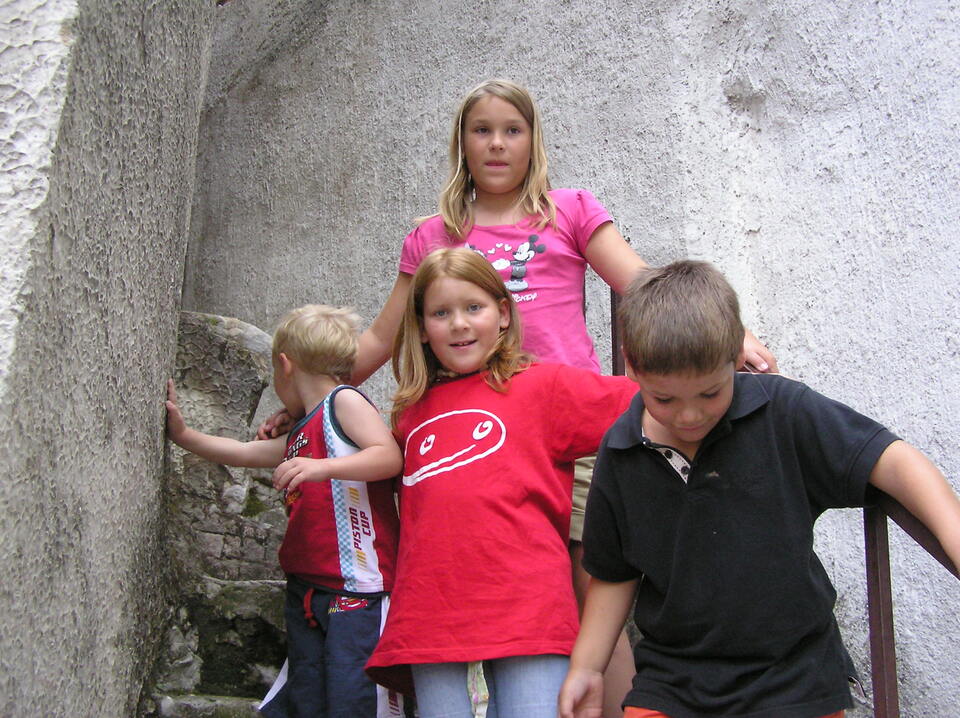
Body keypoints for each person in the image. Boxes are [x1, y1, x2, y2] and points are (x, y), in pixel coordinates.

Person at [258, 78, 778, 716]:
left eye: (513, 129)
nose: (497, 144)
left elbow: (641, 283)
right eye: (482, 130)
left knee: (594, 592)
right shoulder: (433, 235)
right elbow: (379, 339)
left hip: (570, 427)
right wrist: (309, 400)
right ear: (462, 142)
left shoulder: (570, 210)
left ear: (534, 140)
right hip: (478, 437)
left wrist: (727, 334)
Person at [557, 261, 960, 718]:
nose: (689, 416)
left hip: (796, 678)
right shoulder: (621, 449)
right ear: (631, 365)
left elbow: (896, 462)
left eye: (710, 393)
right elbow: (614, 574)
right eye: (664, 398)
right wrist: (587, 667)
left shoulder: (783, 410)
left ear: (736, 356)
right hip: (675, 682)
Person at [363, 247, 638, 718]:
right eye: (440, 313)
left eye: (474, 307)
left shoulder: (545, 386)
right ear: (422, 328)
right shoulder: (409, 414)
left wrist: (733, 376)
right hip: (431, 618)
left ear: (504, 314)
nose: (459, 324)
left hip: (529, 610)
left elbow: (654, 401)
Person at [165, 304, 407, 718]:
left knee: (355, 698)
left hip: (359, 590)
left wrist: (322, 467)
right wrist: (184, 435)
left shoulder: (343, 401)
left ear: (285, 365)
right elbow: (245, 452)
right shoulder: (302, 430)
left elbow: (388, 456)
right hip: (309, 587)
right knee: (307, 697)